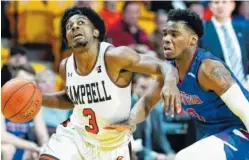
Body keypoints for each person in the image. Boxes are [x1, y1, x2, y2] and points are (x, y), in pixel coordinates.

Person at [40, 6, 180, 160]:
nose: (74, 27)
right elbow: (71, 99)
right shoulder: (65, 66)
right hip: (77, 135)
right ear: (67, 39)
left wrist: (169, 83)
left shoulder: (115, 56)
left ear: (96, 32)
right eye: (69, 27)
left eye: (81, 22)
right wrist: (38, 98)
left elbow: (165, 67)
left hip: (113, 143)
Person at [107, 9, 249, 160]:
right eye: (165, 34)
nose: (167, 39)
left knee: (184, 157)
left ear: (192, 40)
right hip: (212, 134)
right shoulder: (169, 72)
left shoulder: (209, 69)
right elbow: (147, 103)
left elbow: (245, 110)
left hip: (240, 131)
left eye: (174, 34)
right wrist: (129, 121)